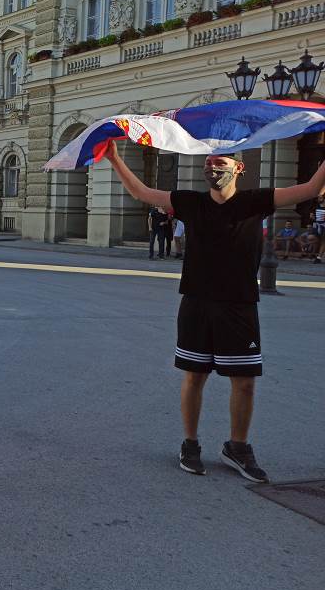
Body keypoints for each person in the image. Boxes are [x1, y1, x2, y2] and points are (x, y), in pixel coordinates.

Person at [104, 141, 325, 482]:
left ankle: (237, 447)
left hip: (239, 306)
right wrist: (116, 159)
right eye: (208, 163)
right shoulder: (191, 203)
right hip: (196, 302)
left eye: (219, 163)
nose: (212, 168)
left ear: (239, 168)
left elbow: (312, 188)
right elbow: (144, 192)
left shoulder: (256, 201)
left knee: (245, 382)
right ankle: (190, 444)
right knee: (195, 376)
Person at [314, 195, 325, 264]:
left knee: (324, 241)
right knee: (321, 240)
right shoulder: (317, 206)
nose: (319, 199)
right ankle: (319, 257)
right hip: (319, 226)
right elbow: (316, 218)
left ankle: (319, 257)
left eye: (320, 197)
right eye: (318, 198)